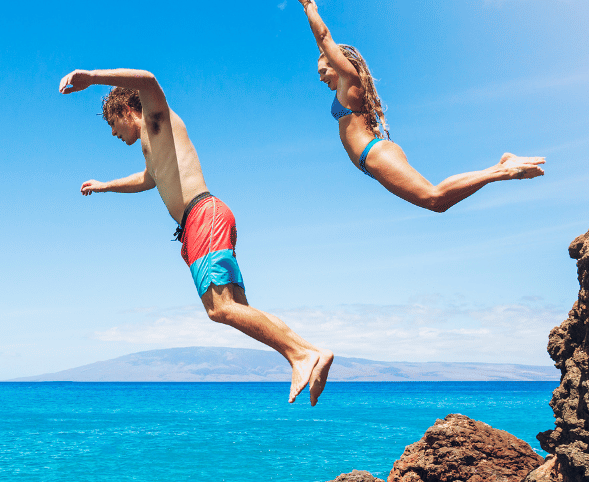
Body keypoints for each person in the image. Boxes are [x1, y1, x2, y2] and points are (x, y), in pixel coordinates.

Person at [59, 68, 335, 405]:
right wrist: (105, 186)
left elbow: (147, 79)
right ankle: (308, 352)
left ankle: (301, 355)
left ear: (123, 110)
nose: (113, 133)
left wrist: (90, 77)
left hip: (203, 216)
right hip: (201, 222)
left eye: (111, 124)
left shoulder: (157, 118)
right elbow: (148, 179)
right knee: (237, 308)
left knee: (220, 310)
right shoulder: (152, 146)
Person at [298, 0, 545, 212]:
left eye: (323, 70)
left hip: (373, 153)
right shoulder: (344, 85)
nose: (320, 78)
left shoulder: (348, 79)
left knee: (434, 198)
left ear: (337, 64)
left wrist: (308, 5)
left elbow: (323, 38)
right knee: (436, 202)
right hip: (371, 157)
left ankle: (503, 169)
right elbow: (322, 45)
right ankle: (502, 167)